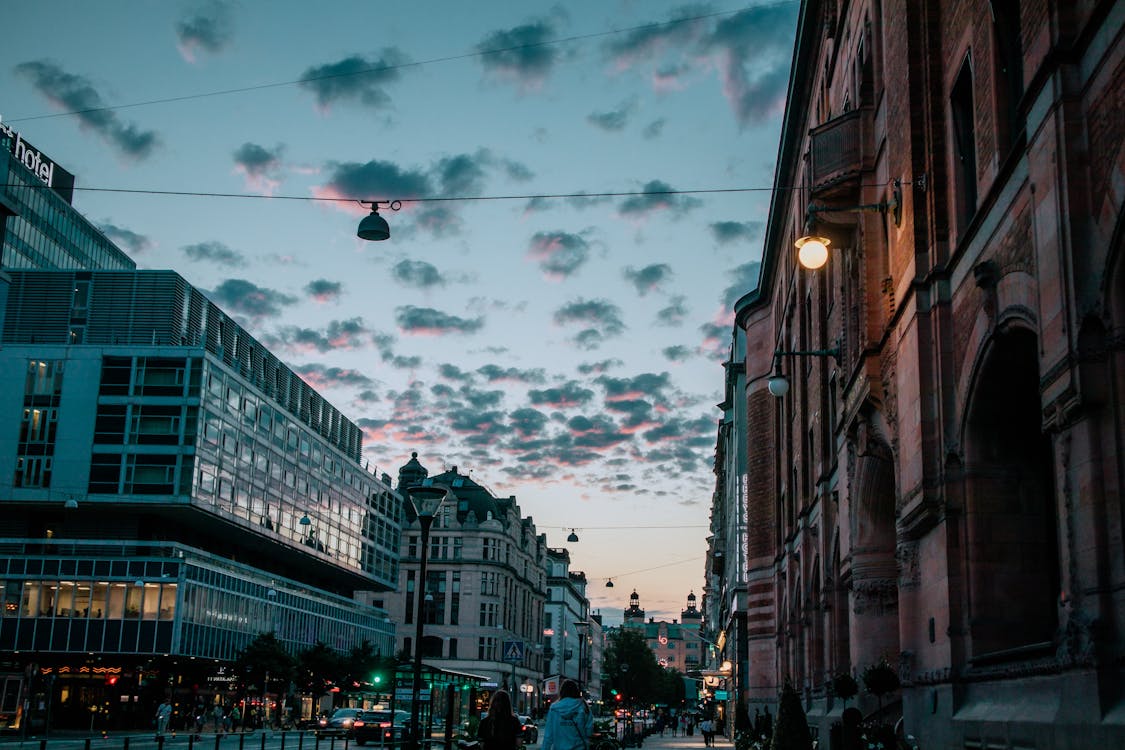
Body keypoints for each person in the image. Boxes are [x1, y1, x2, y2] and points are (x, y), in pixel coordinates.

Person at [541, 680, 592, 750]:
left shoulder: (554, 708)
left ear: (561, 692)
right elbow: (589, 731)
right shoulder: (583, 706)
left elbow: (548, 735)